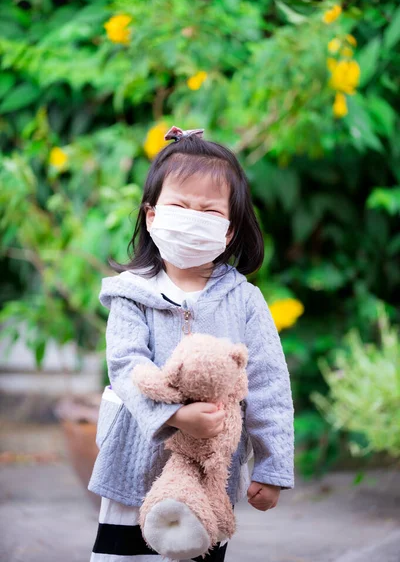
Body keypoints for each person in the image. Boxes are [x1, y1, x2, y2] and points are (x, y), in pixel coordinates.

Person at [88, 126, 295, 562]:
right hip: (133, 465)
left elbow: (269, 385)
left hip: (209, 475)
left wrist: (274, 467)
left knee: (196, 551)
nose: (192, 216)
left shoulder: (245, 300)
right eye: (180, 205)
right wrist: (176, 416)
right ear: (152, 216)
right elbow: (126, 367)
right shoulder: (130, 293)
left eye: (208, 210)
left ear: (228, 230)